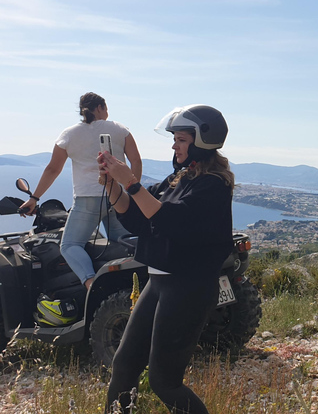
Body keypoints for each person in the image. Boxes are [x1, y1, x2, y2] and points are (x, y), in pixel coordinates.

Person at [97, 104, 234, 414]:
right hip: (160, 283)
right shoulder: (178, 179)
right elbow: (139, 219)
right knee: (124, 365)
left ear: (202, 141)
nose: (174, 145)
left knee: (164, 381)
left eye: (181, 139)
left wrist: (131, 181)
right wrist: (114, 186)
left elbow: (170, 220)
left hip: (188, 287)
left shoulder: (212, 186)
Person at [19, 92, 142, 290]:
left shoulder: (69, 134)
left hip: (87, 201)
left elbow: (53, 169)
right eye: (106, 108)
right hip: (118, 197)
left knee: (70, 246)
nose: (107, 113)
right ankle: (130, 283)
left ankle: (92, 285)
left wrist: (34, 198)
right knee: (124, 243)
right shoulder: (120, 129)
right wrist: (133, 191)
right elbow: (136, 161)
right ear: (100, 108)